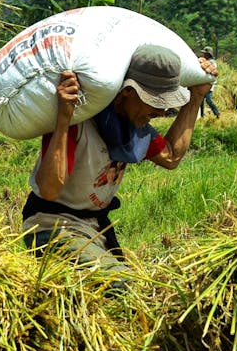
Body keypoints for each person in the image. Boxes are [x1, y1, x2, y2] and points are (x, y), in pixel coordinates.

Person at [20, 45, 218, 280]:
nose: (161, 111)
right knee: (120, 285)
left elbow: (171, 156)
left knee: (135, 286)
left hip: (94, 227)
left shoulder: (133, 128)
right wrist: (63, 117)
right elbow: (49, 190)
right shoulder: (78, 121)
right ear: (127, 92)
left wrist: (196, 97)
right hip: (52, 225)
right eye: (154, 101)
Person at [199, 48, 221, 119]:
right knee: (201, 100)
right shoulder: (206, 61)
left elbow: (212, 71)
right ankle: (202, 116)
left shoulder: (212, 62)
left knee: (208, 100)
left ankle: (217, 113)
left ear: (209, 54)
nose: (204, 55)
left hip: (210, 84)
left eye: (205, 53)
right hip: (204, 83)